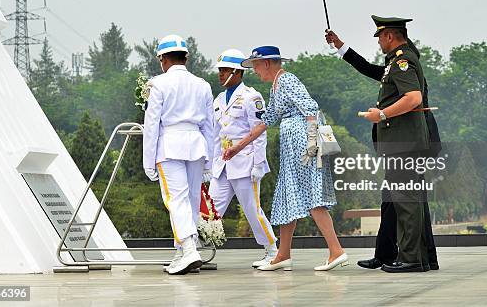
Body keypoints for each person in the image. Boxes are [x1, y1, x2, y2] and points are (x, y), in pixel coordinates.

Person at [326, 16, 437, 273]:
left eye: (379, 38)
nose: (379, 43)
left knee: (407, 201)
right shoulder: (395, 62)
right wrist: (341, 46)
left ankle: (411, 259)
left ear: (389, 35)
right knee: (397, 200)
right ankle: (411, 256)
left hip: (404, 143)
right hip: (403, 143)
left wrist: (382, 114)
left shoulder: (403, 61)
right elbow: (370, 69)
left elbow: (413, 97)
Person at [223, 46, 348, 271]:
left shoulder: (287, 80)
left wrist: (311, 144)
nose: (255, 71)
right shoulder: (276, 85)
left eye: (256, 65)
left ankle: (336, 251)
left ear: (267, 63)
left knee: (311, 195)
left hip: (302, 143)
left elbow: (310, 108)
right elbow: (266, 120)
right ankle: (283, 254)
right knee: (287, 196)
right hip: (292, 146)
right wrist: (238, 147)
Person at [142, 34, 215, 275]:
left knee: (176, 199)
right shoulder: (203, 85)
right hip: (196, 144)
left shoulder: (158, 84)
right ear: (186, 57)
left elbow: (152, 125)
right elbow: (210, 127)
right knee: (192, 199)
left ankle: (189, 249)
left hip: (170, 146)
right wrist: (210, 161)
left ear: (162, 59)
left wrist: (148, 161)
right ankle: (183, 250)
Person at [207, 49, 278, 268]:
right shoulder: (218, 99)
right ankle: (197, 251)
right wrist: (210, 164)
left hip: (246, 163)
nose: (220, 74)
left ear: (237, 72)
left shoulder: (251, 97)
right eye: (220, 70)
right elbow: (216, 135)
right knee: (209, 210)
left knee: (251, 210)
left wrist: (258, 163)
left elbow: (259, 131)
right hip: (223, 164)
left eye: (225, 70)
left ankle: (272, 250)